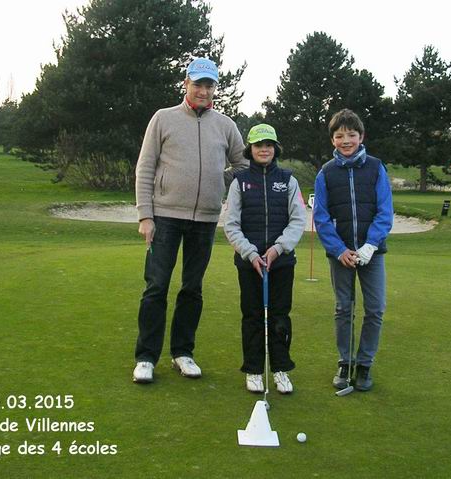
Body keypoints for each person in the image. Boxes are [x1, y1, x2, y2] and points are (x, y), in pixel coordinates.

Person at [132, 58, 248, 384]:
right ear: (186, 84)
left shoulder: (225, 125)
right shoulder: (163, 118)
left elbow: (243, 164)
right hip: (165, 217)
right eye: (197, 84)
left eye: (209, 85)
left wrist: (218, 181)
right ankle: (146, 357)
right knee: (156, 287)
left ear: (214, 89)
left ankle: (183, 353)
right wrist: (145, 215)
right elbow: (145, 167)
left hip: (205, 220)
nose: (203, 91)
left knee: (192, 289)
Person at [313, 109, 393, 392]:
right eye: (339, 136)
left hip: (372, 253)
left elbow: (385, 211)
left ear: (361, 137)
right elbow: (321, 217)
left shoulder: (376, 168)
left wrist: (370, 245)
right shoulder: (326, 173)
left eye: (351, 135)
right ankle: (345, 363)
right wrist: (339, 250)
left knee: (375, 309)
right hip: (341, 254)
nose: (345, 140)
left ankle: (364, 365)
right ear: (332, 140)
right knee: (343, 309)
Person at [224, 124, 306, 394]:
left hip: (281, 262)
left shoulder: (288, 180)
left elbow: (298, 220)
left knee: (280, 316)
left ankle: (280, 369)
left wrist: (278, 248)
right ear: (250, 149)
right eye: (259, 145)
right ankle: (254, 369)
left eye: (269, 145)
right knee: (252, 316)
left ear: (275, 148)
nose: (264, 149)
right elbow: (231, 224)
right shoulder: (239, 182)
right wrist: (250, 253)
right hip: (249, 263)